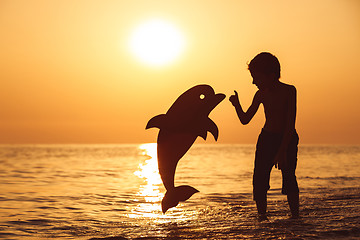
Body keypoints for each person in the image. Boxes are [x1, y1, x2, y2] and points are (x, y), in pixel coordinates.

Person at [229, 52, 299, 221]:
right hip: (266, 139)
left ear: (271, 75)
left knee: (289, 177)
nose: (253, 82)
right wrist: (237, 104)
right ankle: (262, 218)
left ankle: (296, 218)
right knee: (259, 180)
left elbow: (290, 125)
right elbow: (245, 119)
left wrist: (282, 151)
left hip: (287, 139)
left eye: (257, 78)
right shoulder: (260, 94)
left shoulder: (289, 91)